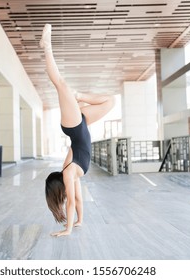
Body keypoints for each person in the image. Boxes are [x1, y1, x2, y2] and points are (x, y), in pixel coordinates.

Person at [41, 24, 115, 237]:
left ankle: (46, 47)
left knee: (61, 85)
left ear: (59, 186)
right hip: (81, 125)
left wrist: (67, 229)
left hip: (74, 126)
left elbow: (71, 201)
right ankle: (79, 95)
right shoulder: (71, 175)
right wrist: (79, 221)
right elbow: (78, 200)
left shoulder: (68, 172)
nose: (66, 192)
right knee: (111, 101)